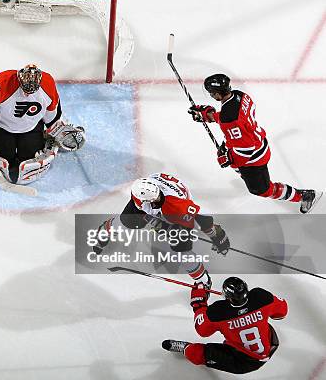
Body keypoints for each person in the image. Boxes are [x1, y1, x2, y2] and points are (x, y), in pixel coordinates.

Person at [188, 73, 322, 213]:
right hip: (258, 140)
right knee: (236, 164)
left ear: (216, 94)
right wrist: (208, 115)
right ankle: (246, 173)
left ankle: (304, 196)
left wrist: (229, 158)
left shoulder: (229, 118)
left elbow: (246, 148)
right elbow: (236, 119)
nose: (211, 96)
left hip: (254, 157)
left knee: (262, 190)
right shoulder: (240, 95)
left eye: (211, 93)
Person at [95, 173, 230, 287]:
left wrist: (217, 235)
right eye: (155, 200)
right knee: (126, 222)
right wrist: (160, 226)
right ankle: (105, 229)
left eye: (158, 196)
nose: (158, 199)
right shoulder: (139, 194)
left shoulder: (177, 205)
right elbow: (144, 213)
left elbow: (204, 218)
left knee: (181, 248)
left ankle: (202, 279)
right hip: (159, 205)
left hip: (175, 210)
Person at [0, 64, 85, 184]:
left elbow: (52, 110)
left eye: (31, 91)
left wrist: (54, 128)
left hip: (31, 128)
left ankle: (43, 138)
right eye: (25, 90)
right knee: (5, 156)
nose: (27, 95)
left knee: (28, 157)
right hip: (2, 127)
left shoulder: (47, 84)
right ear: (19, 79)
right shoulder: (4, 81)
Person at [162, 276, 288, 375]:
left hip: (243, 362)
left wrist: (198, 303)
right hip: (270, 345)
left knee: (199, 354)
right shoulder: (261, 297)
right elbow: (282, 313)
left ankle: (186, 349)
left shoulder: (219, 312)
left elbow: (202, 330)